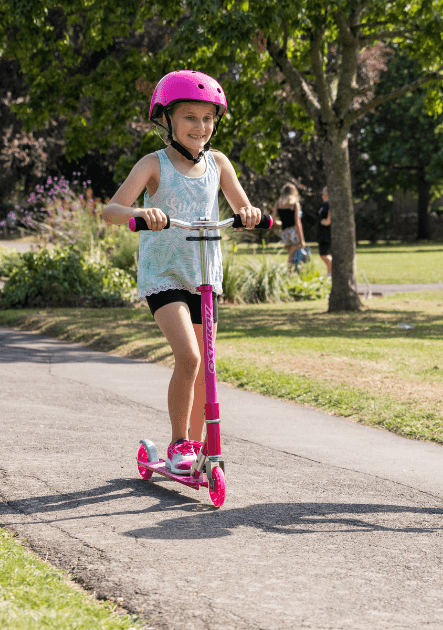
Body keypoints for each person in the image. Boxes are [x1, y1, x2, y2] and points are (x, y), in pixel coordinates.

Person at [101, 70, 264, 474]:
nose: (200, 126)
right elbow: (109, 211)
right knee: (189, 358)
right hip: (164, 276)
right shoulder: (153, 164)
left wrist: (250, 213)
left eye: (208, 118)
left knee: (207, 369)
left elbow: (243, 207)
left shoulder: (219, 164)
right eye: (190, 117)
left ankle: (200, 448)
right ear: (168, 119)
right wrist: (140, 211)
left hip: (204, 277)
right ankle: (179, 444)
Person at [272, 183, 307, 270]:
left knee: (291, 252)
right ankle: (290, 270)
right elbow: (297, 222)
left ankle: (295, 269)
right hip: (293, 231)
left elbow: (273, 220)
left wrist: (283, 222)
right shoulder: (294, 204)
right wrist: (302, 240)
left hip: (284, 232)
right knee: (293, 252)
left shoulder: (278, 204)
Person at [316, 187, 332, 276]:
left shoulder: (328, 205)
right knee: (327, 254)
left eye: (323, 193)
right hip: (322, 233)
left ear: (326, 194)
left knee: (324, 255)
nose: (322, 195)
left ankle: (330, 275)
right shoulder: (323, 205)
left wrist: (327, 221)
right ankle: (331, 273)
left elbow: (331, 212)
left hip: (326, 234)